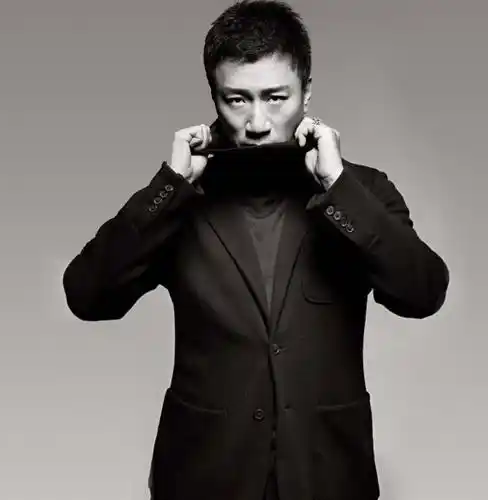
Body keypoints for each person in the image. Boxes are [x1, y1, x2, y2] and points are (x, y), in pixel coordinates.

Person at [61, 1, 449, 499]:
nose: (258, 122)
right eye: (237, 100)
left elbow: (423, 293)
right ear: (214, 97)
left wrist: (338, 184)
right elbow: (87, 296)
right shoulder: (180, 198)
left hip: (328, 474)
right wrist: (168, 188)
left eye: (276, 97)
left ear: (307, 92)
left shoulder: (362, 191)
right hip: (203, 477)